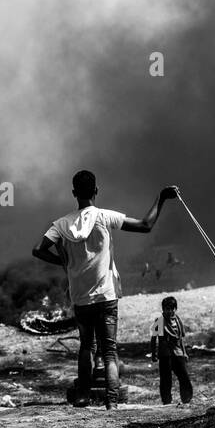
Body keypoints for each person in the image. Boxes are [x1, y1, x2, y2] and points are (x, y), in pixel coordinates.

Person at [33, 171, 178, 410]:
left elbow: (38, 250)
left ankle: (83, 396)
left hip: (81, 297)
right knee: (109, 350)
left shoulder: (60, 225)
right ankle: (112, 401)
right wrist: (161, 198)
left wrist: (65, 262)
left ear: (73, 193)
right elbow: (145, 225)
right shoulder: (104, 217)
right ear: (96, 191)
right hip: (106, 295)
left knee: (85, 347)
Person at [151, 295, 193, 405]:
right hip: (165, 354)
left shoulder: (178, 321)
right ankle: (167, 402)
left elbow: (180, 339)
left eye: (172, 309)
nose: (169, 311)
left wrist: (184, 353)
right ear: (163, 309)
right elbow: (153, 338)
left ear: (175, 309)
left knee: (184, 376)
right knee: (166, 379)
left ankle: (186, 399)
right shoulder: (159, 321)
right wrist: (154, 354)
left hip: (178, 352)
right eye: (167, 309)